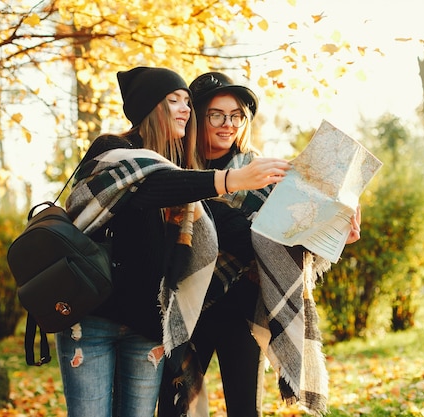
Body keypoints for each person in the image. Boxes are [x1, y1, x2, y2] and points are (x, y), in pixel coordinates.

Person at [54, 66, 291, 417]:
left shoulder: (180, 171)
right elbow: (148, 189)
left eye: (186, 102)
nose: (185, 109)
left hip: (147, 327)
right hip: (93, 320)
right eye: (174, 101)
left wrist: (324, 226)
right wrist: (231, 179)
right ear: (150, 107)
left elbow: (225, 224)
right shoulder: (113, 151)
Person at [158, 72, 363, 417]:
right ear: (197, 115)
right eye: (217, 115)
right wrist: (251, 230)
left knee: (245, 410)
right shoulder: (178, 171)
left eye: (237, 115)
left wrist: (336, 231)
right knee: (175, 408)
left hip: (244, 307)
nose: (228, 125)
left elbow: (288, 238)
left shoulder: (264, 173)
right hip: (191, 306)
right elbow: (245, 234)